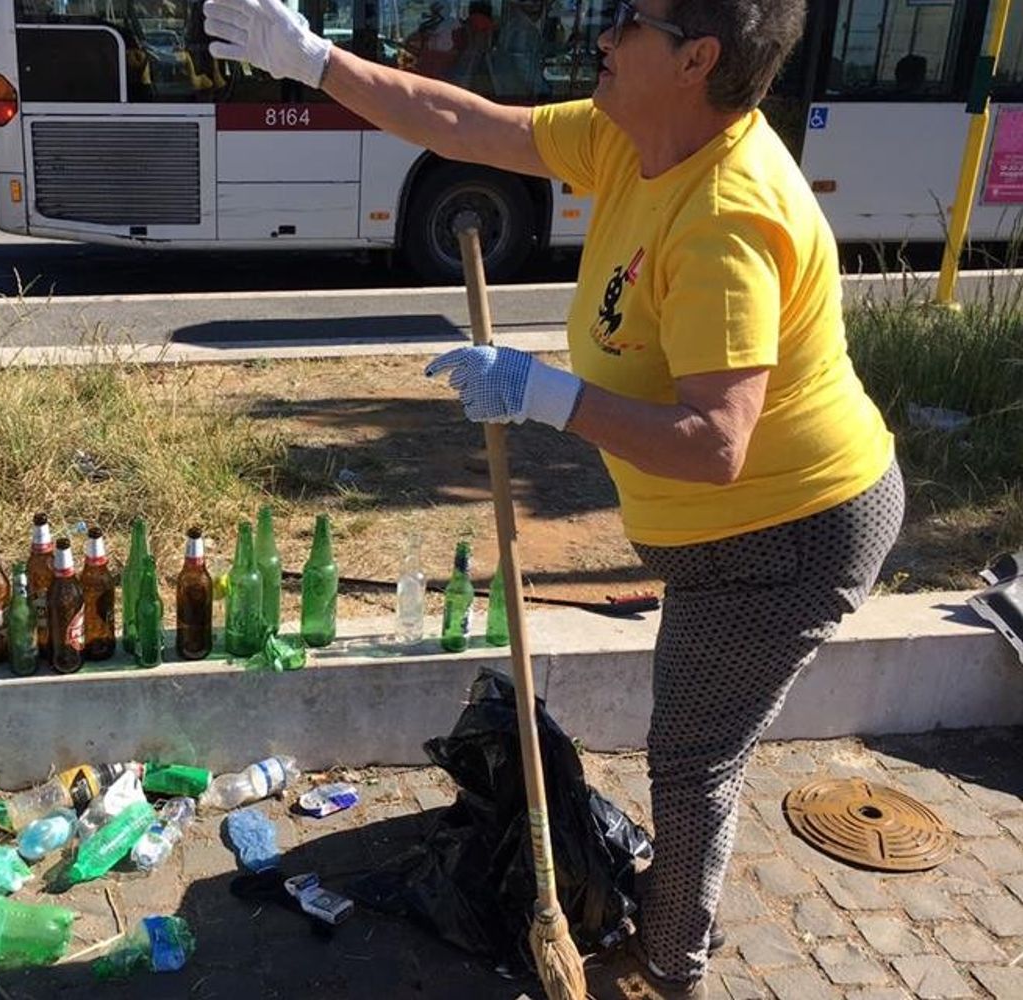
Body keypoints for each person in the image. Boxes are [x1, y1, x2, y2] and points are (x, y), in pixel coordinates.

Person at [200, 1, 903, 998]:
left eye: (630, 22)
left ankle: (668, 967)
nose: (604, 38)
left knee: (694, 760)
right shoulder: (633, 138)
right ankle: (663, 921)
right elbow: (467, 125)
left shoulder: (726, 213)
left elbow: (716, 443)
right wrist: (316, 64)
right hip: (725, 536)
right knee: (691, 740)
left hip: (788, 535)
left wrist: (545, 394)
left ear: (696, 57)